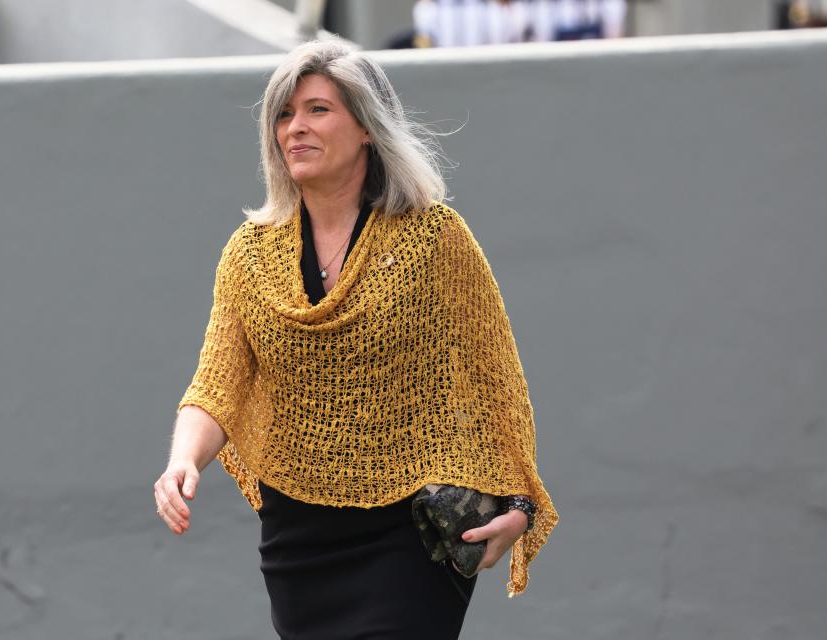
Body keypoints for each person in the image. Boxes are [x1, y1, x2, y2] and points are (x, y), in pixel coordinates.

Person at [155, 37, 559, 639]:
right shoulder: (250, 256)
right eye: (284, 114)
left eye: (318, 109)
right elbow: (217, 381)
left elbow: (495, 381)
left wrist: (520, 506)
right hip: (300, 540)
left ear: (367, 127)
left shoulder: (431, 238)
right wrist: (182, 461)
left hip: (410, 536)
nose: (295, 128)